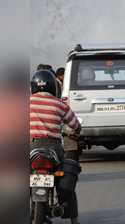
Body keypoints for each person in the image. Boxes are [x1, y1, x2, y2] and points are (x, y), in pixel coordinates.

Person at [30, 69, 81, 224]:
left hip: (29, 146)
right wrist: (76, 133)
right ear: (54, 86)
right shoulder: (59, 104)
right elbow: (75, 125)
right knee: (65, 178)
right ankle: (74, 220)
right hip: (54, 148)